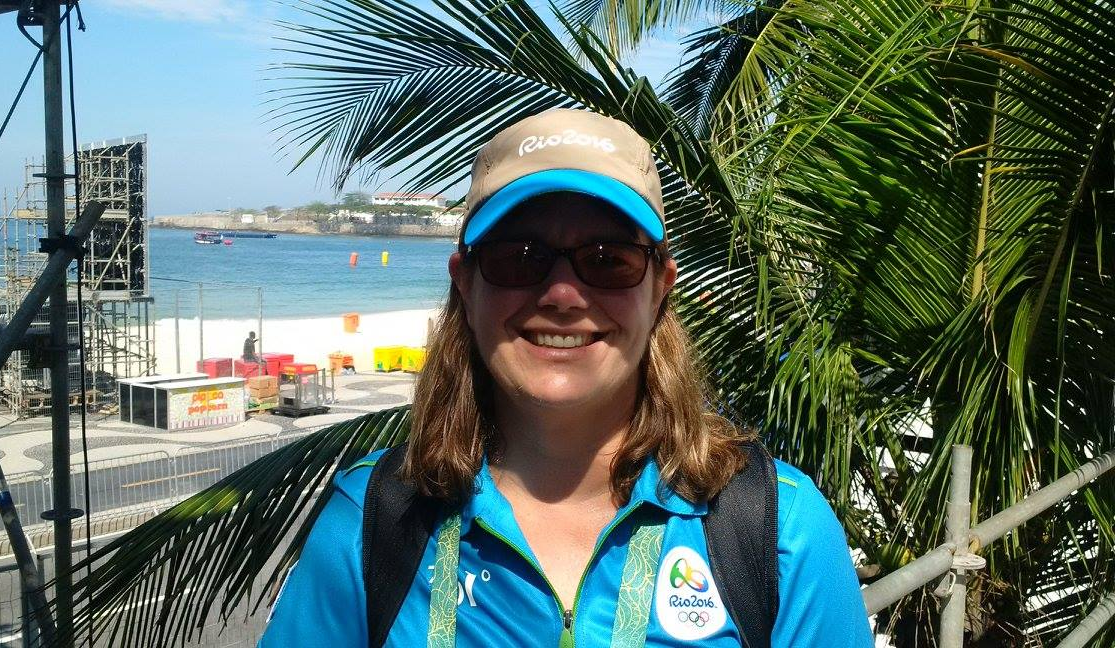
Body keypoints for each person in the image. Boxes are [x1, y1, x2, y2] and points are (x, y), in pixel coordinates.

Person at [260, 109, 873, 646]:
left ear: (660, 287)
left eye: (608, 260)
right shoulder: (375, 520)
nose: (561, 294)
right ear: (465, 284)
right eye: (518, 258)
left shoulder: (776, 529)